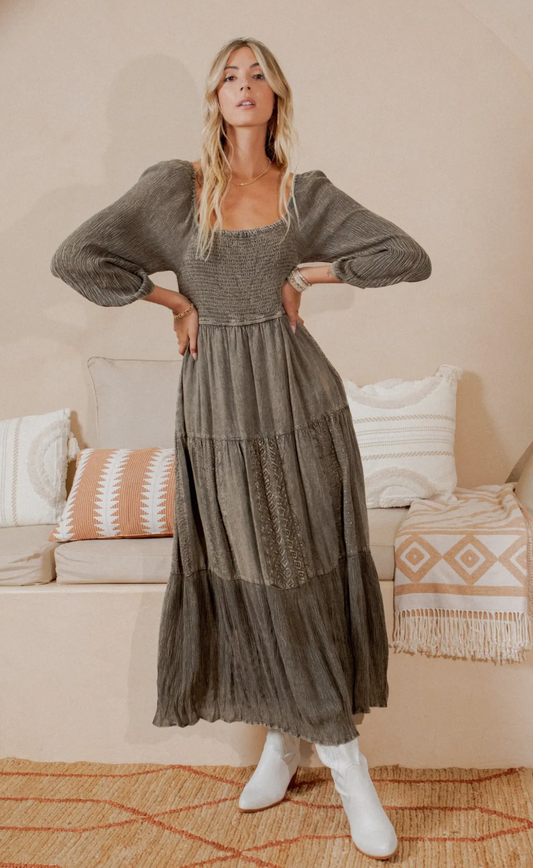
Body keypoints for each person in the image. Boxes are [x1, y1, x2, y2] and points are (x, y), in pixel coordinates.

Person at [50, 36, 431, 862]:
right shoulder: (176, 191)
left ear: (277, 95)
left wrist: (309, 277)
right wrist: (166, 298)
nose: (244, 84)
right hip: (219, 411)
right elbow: (74, 258)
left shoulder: (303, 193)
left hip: (303, 408)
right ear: (214, 98)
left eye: (257, 73)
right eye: (230, 73)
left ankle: (337, 758)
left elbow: (407, 255)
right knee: (257, 575)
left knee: (305, 572)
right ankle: (296, 744)